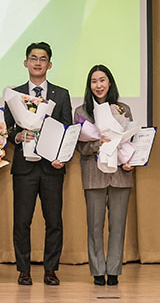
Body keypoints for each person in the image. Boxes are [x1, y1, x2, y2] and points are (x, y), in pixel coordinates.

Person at [3, 42, 72, 285]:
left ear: (49, 64)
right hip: (24, 167)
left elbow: (67, 129)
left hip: (51, 168)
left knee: (54, 221)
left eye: (43, 59)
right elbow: (7, 128)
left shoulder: (61, 94)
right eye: (33, 58)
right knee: (22, 220)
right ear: (26, 63)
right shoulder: (14, 94)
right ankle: (24, 270)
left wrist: (61, 157)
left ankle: (50, 269)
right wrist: (17, 136)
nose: (38, 62)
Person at [74, 65, 134, 286]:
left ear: (110, 83)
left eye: (102, 80)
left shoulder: (123, 108)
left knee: (118, 225)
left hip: (121, 175)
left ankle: (114, 271)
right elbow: (79, 147)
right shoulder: (81, 112)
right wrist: (97, 144)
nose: (98, 85)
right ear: (89, 85)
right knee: (95, 225)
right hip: (94, 174)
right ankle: (98, 270)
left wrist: (130, 161)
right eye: (93, 81)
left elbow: (129, 141)